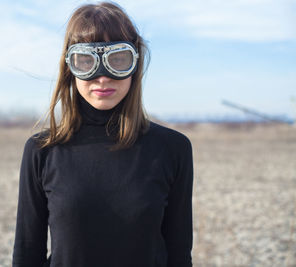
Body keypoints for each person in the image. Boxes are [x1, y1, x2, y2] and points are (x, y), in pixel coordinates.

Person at [12, 2, 194, 267]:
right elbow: (27, 254)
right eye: (86, 61)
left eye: (117, 59)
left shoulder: (173, 149)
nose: (102, 77)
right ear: (70, 67)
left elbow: (179, 255)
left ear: (135, 64)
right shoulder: (42, 151)